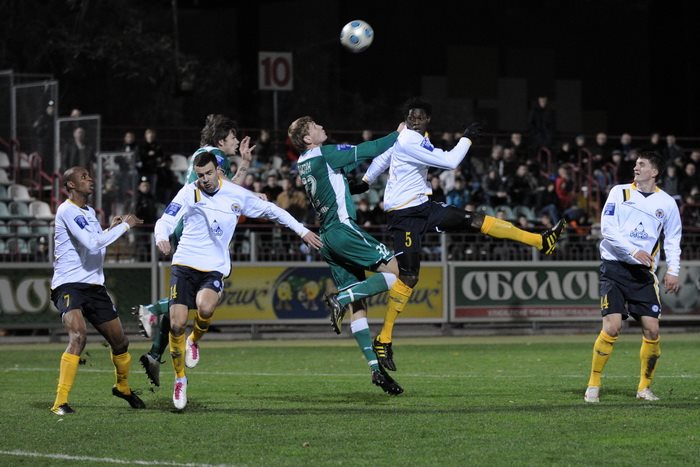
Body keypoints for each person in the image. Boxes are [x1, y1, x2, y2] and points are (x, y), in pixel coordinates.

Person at [361, 98, 566, 371]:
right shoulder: (409, 139)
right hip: (404, 215)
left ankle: (540, 241)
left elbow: (385, 156)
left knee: (475, 220)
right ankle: (384, 338)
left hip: (423, 207)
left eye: (419, 117)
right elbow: (451, 161)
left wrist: (366, 180)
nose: (414, 120)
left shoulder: (416, 138)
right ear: (406, 119)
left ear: (427, 120)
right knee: (409, 277)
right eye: (411, 117)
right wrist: (467, 138)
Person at [155, 151, 321, 409]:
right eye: (200, 175)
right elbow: (166, 219)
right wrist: (162, 237)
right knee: (176, 324)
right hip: (184, 262)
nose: (205, 179)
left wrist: (302, 231)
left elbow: (273, 211)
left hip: (214, 266)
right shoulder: (189, 192)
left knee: (205, 308)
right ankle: (180, 378)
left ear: (218, 171)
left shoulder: (236, 194)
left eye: (209, 173)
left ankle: (194, 340)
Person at [134, 114, 256, 387]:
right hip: (196, 232)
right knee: (201, 298)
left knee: (183, 302)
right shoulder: (215, 156)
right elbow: (229, 192)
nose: (236, 141)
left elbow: (225, 190)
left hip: (188, 226)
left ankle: (154, 354)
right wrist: (249, 182)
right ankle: (151, 310)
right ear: (221, 140)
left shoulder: (203, 155)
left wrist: (245, 165)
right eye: (233, 137)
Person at [288, 115, 406, 395]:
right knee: (397, 272)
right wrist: (397, 134)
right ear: (308, 138)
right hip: (343, 230)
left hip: (327, 239)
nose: (321, 127)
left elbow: (335, 182)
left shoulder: (304, 163)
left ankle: (375, 369)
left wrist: (356, 184)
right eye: (315, 126)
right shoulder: (325, 154)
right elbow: (368, 149)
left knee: (359, 304)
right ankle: (339, 299)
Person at [584, 151, 682, 403]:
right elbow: (607, 229)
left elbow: (673, 238)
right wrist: (632, 250)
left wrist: (673, 270)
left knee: (652, 330)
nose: (636, 168)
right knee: (612, 326)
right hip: (614, 267)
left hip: (643, 273)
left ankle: (644, 389)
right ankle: (593, 384)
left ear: (654, 172)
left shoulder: (667, 203)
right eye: (636, 164)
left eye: (642, 164)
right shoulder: (619, 192)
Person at [50, 166, 146, 415]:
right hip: (69, 284)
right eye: (83, 177)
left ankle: (122, 387)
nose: (90, 179)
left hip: (94, 286)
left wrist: (109, 229)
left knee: (121, 342)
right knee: (78, 335)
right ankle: (60, 402)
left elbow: (94, 244)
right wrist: (125, 227)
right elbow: (93, 245)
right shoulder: (67, 210)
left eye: (89, 176)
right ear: (71, 185)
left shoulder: (90, 212)